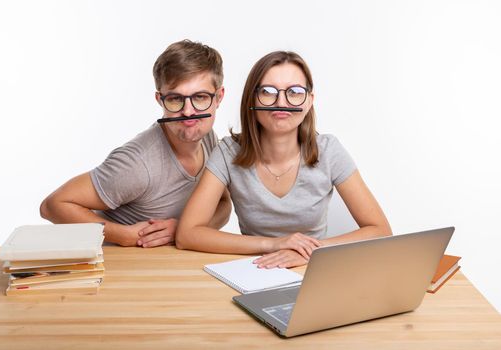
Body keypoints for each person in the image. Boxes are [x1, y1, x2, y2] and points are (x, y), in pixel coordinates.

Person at [176, 51, 391, 268]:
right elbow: (187, 234)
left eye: (295, 92)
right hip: (258, 268)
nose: (281, 102)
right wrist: (274, 244)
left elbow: (381, 230)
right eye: (268, 92)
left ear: (309, 101)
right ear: (252, 98)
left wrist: (311, 251)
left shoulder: (329, 150)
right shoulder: (228, 152)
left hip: (314, 271)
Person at [40, 40, 231, 247]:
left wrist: (184, 229)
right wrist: (123, 235)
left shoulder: (207, 136)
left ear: (218, 97)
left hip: (166, 265)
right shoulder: (138, 163)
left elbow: (223, 204)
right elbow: (52, 206)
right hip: (117, 266)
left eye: (200, 97)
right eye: (175, 99)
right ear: (160, 99)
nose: (188, 111)